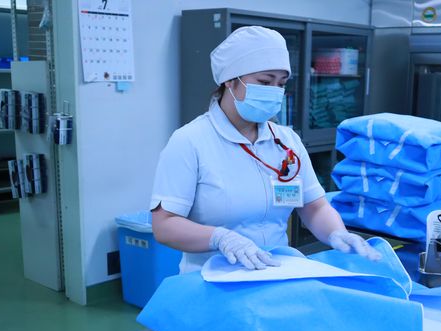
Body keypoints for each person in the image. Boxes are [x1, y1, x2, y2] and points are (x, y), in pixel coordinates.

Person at [150, 26, 380, 273]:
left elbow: (314, 207)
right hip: (212, 278)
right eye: (264, 82)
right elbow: (164, 226)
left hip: (275, 272)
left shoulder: (287, 141)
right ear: (230, 80)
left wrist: (337, 233)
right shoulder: (189, 141)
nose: (274, 91)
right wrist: (220, 238)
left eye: (281, 83)